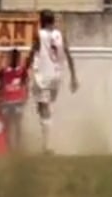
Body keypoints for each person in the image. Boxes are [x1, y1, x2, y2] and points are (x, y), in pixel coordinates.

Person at [28, 10, 78, 153]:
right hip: (56, 76)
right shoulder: (60, 35)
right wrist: (74, 76)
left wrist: (24, 69)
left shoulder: (39, 34)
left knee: (43, 108)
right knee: (44, 107)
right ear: (53, 21)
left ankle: (47, 146)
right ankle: (47, 139)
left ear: (41, 21)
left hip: (43, 75)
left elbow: (32, 52)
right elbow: (68, 54)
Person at [0, 48, 31, 150]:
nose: (14, 59)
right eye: (12, 57)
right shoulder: (4, 70)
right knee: (7, 124)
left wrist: (26, 96)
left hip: (18, 101)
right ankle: (8, 145)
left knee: (18, 124)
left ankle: (18, 145)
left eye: (17, 57)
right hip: (7, 101)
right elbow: (0, 84)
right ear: (9, 58)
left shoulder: (22, 70)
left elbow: (25, 84)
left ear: (19, 58)